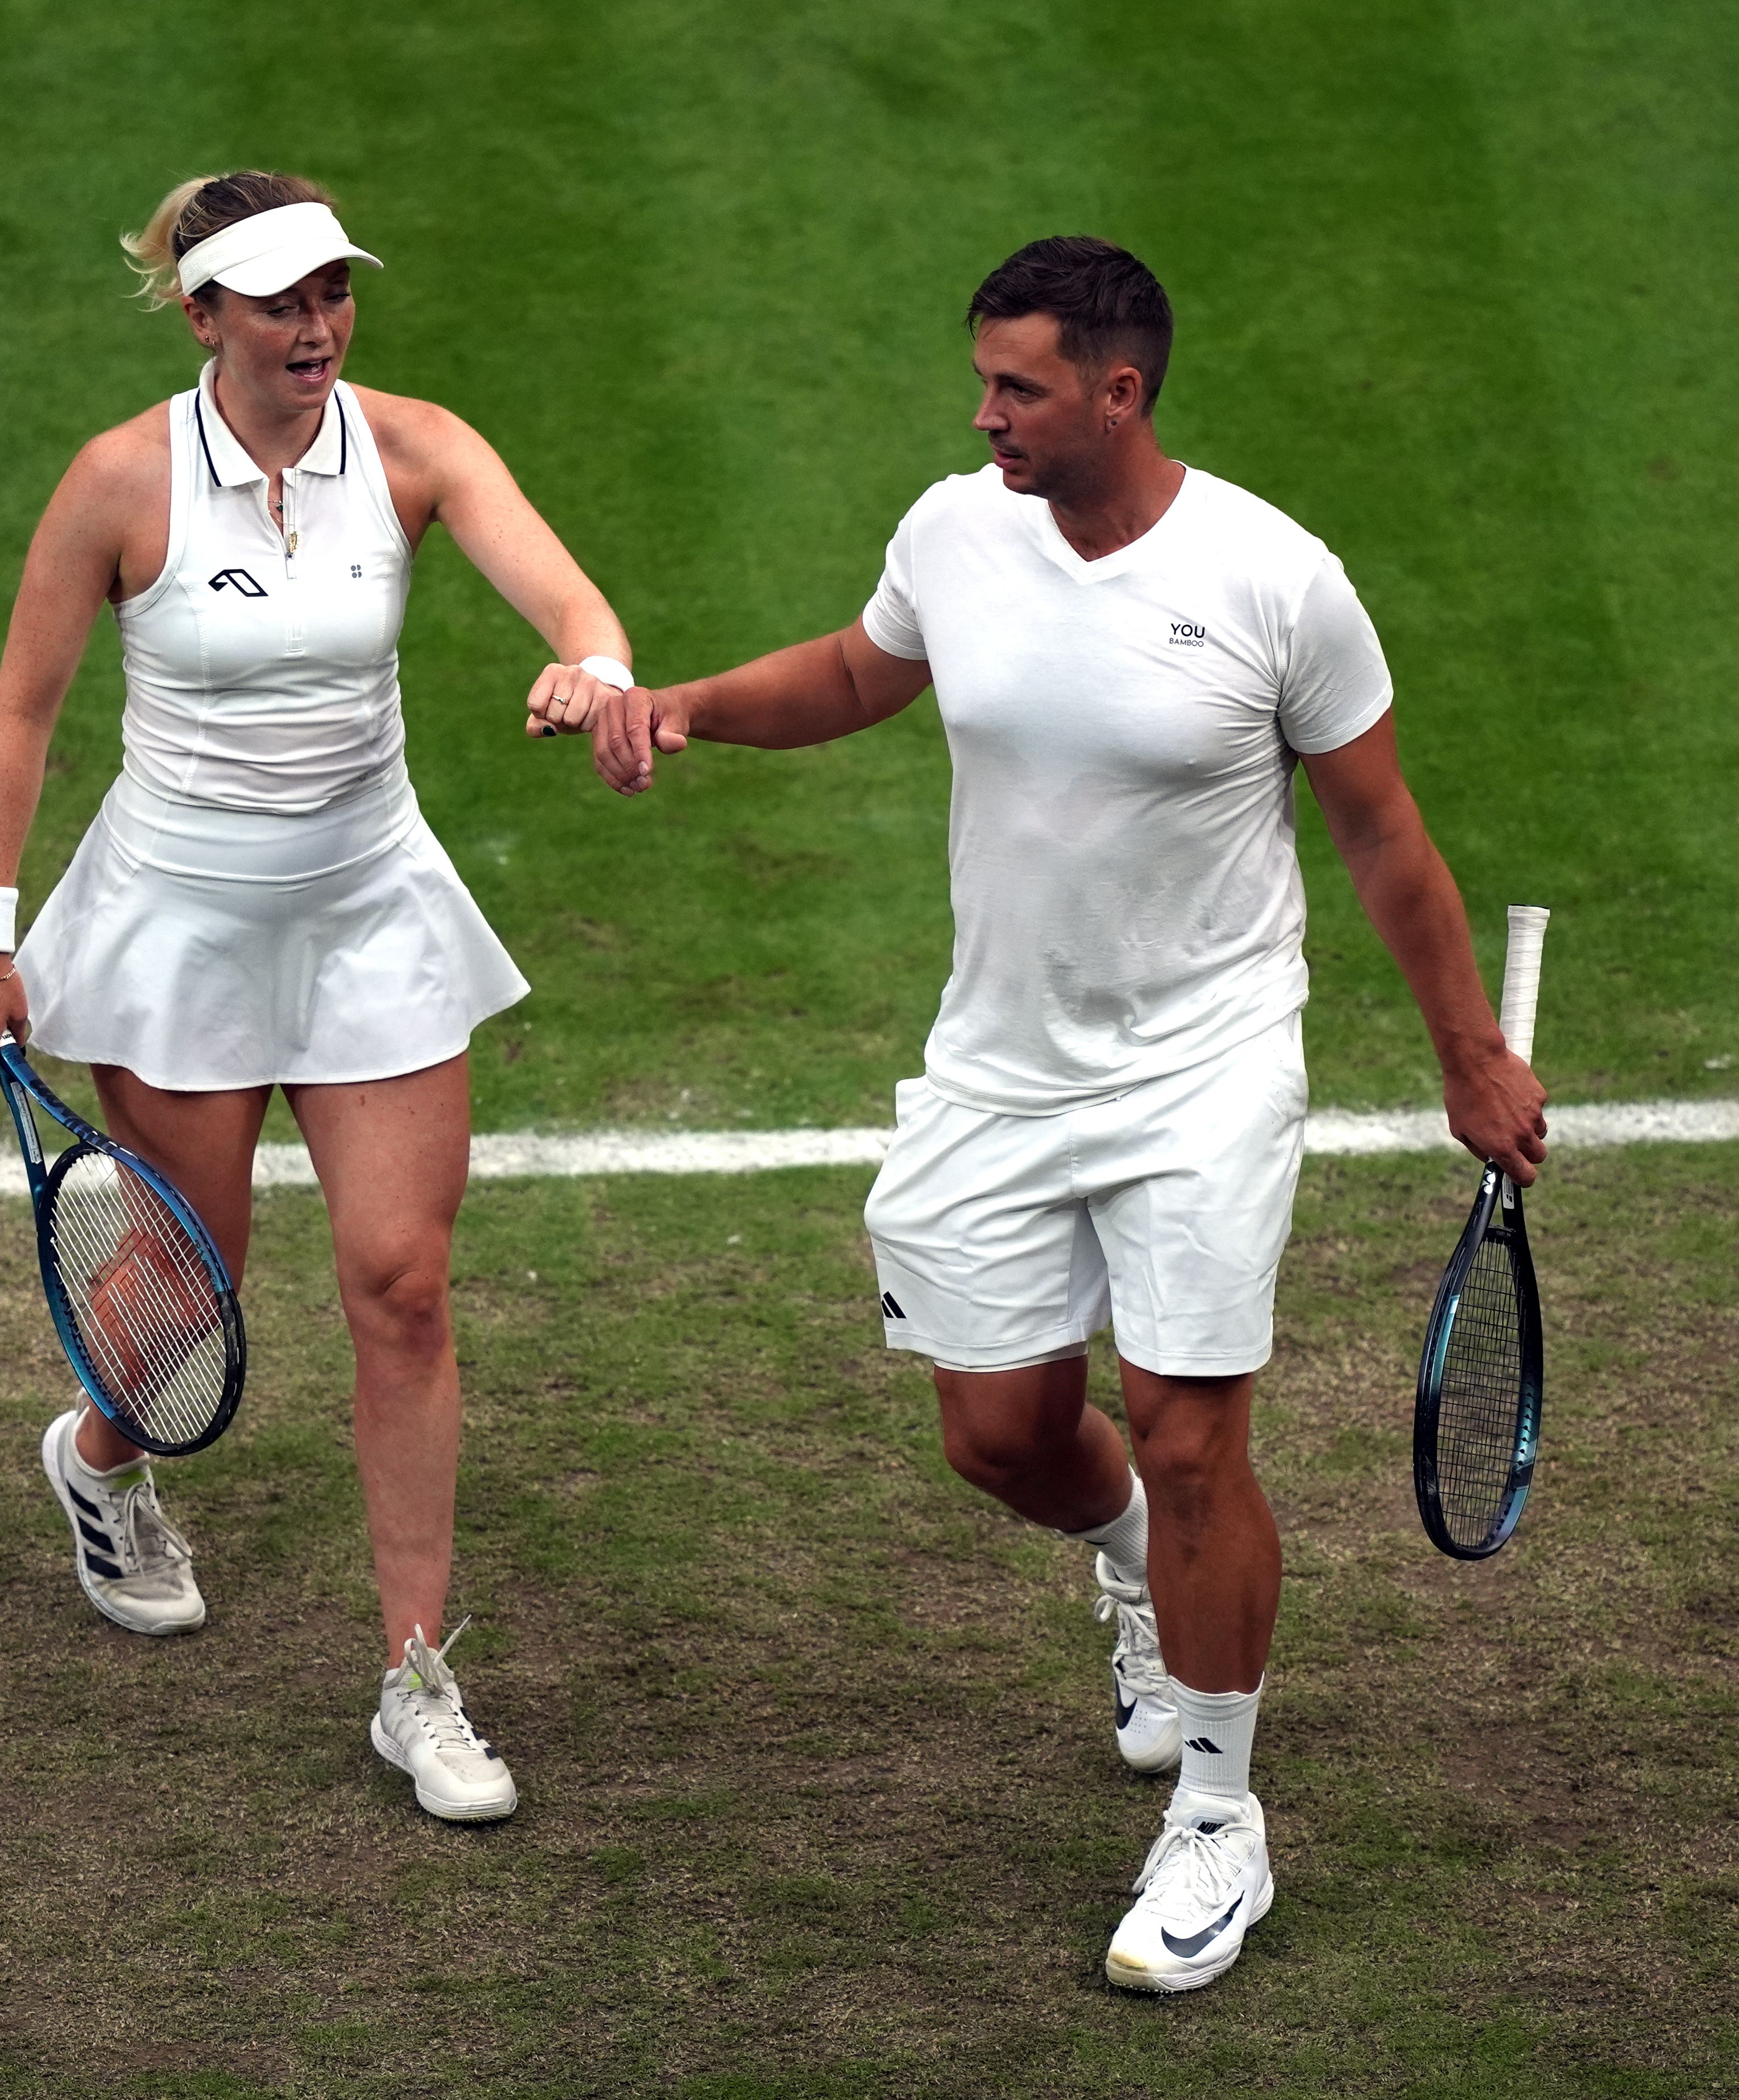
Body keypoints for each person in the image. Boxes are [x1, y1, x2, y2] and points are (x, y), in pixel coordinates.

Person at [584, 237, 1546, 1987]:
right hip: (1001, 1064)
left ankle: (1219, 1817)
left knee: (1191, 1432)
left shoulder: (1278, 580)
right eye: (986, 381)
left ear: (1121, 391)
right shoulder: (958, 529)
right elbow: (863, 671)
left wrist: (1468, 1052)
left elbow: (1384, 834)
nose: (987, 412)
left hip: (1206, 1062)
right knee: (1002, 1434)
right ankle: (1125, 1569)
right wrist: (689, 710)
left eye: (1020, 386)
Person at [0, 170, 634, 1825]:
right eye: (280, 302)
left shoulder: (416, 447)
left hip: (371, 918)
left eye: (334, 293)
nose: (317, 327)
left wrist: (591, 666)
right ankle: (104, 1465)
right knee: (196, 1287)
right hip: (181, 924)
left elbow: (573, 599)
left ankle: (418, 1677)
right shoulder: (119, 481)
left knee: (402, 1285)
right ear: (206, 318)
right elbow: (22, 715)